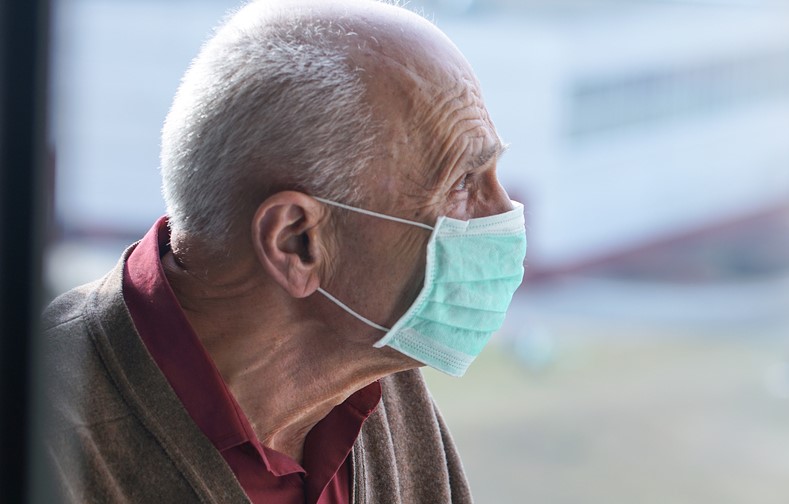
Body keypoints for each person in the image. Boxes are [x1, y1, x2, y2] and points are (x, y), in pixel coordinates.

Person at [39, 0, 527, 502]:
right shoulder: (44, 438)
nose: (505, 211)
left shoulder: (380, 380)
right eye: (463, 182)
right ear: (296, 241)